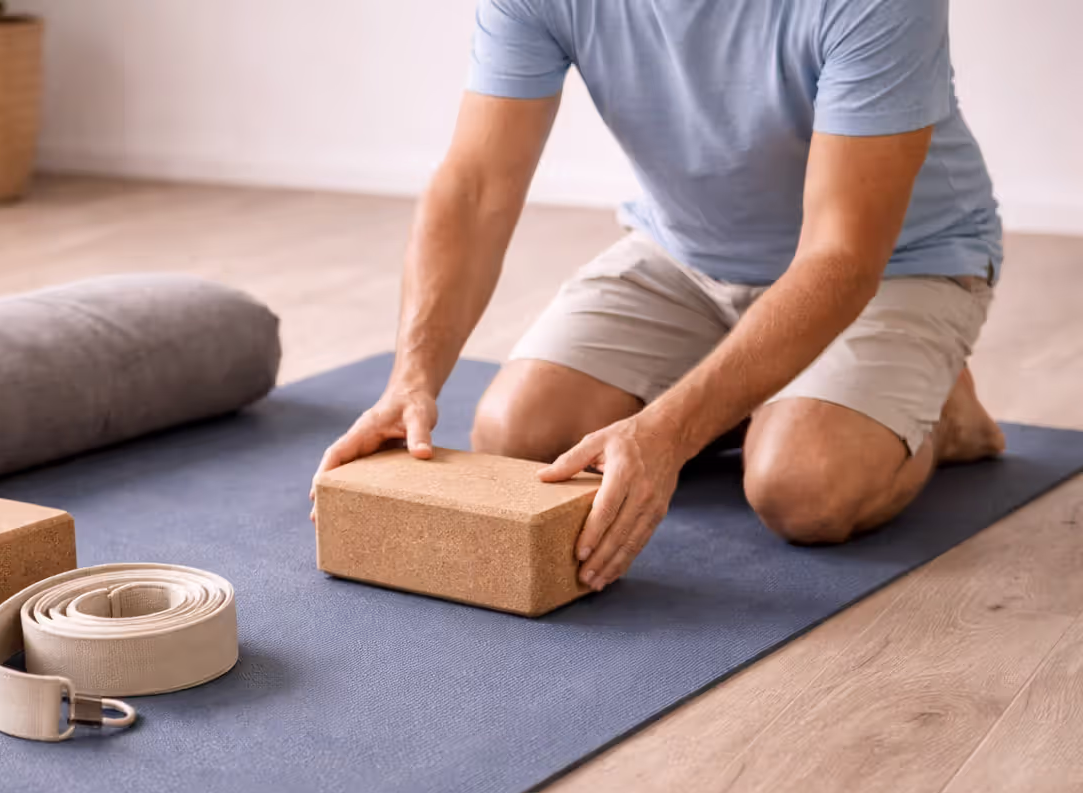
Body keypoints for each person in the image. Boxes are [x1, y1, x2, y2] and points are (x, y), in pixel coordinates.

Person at [311, 0, 1005, 593]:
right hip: (686, 255)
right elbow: (474, 188)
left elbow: (841, 258)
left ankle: (940, 416)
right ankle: (765, 404)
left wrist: (668, 435)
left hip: (899, 266)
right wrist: (411, 381)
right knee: (517, 436)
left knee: (803, 487)